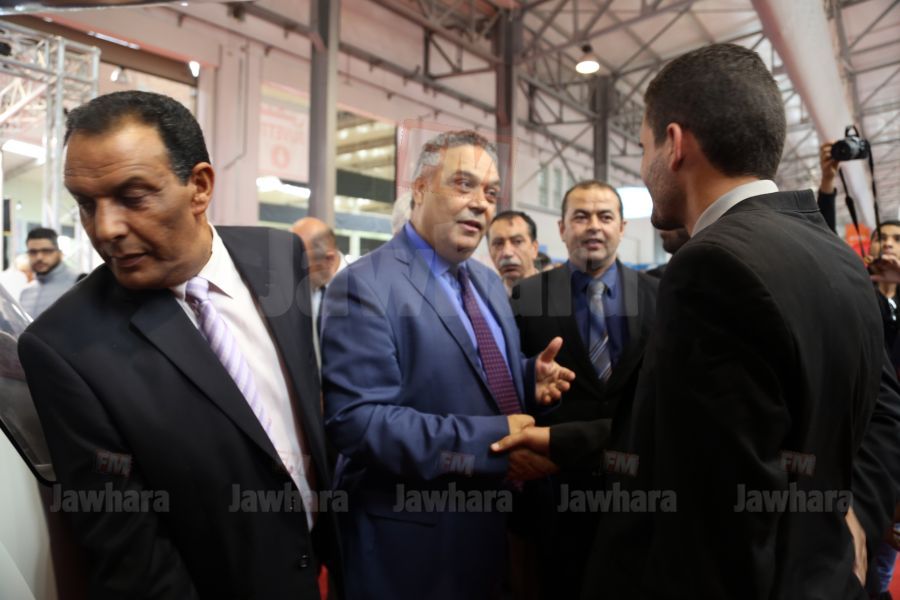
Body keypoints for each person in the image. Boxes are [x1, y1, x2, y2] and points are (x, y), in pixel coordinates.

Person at [496, 43, 900, 599]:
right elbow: (884, 412)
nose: (645, 169)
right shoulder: (838, 257)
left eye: (644, 149)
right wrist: (854, 518)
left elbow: (712, 518)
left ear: (675, 144)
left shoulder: (711, 266)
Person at [17, 91, 339, 599]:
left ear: (200, 186)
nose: (105, 229)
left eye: (133, 196)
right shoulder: (66, 347)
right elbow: (132, 557)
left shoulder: (278, 255)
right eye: (86, 204)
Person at [321, 130, 575, 600]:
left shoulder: (487, 283)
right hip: (411, 546)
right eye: (464, 184)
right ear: (419, 189)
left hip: (488, 533)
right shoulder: (364, 285)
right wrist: (490, 444)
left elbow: (469, 373)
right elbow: (359, 422)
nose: (480, 203)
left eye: (491, 192)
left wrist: (526, 378)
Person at [508, 180, 658, 599]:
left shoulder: (657, 296)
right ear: (561, 228)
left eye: (605, 216)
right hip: (556, 492)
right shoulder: (527, 296)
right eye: (581, 216)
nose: (593, 226)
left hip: (639, 493)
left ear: (622, 228)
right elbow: (511, 384)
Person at [290, 216, 346, 362]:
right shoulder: (295, 292)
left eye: (300, 263)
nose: (292, 269)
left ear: (329, 259)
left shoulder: (363, 291)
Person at [18, 228, 80, 318]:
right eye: (33, 252)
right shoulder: (26, 292)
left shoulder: (80, 283)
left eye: (46, 251)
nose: (39, 257)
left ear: (59, 253)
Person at [487, 210, 540, 294]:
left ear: (534, 248)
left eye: (517, 241)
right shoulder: (483, 297)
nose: (507, 253)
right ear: (490, 251)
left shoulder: (557, 293)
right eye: (498, 244)